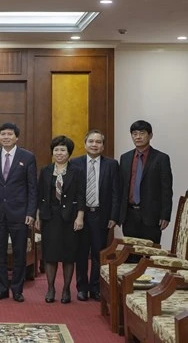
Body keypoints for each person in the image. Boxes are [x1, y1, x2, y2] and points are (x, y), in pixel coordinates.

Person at [0, 122, 37, 303]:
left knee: (19, 253)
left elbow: (32, 187)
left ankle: (17, 289)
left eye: (9, 134)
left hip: (20, 213)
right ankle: (1, 289)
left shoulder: (27, 157)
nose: (6, 137)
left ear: (16, 137)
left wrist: (31, 211)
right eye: (3, 134)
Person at [71, 130, 121, 301]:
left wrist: (114, 216)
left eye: (98, 142)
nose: (94, 145)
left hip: (101, 215)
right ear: (85, 144)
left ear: (103, 146)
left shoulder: (112, 164)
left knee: (99, 253)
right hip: (81, 216)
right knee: (81, 253)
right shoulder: (75, 163)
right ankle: (82, 288)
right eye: (91, 141)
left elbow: (116, 193)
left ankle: (96, 287)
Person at [36, 136, 85, 304]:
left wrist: (80, 216)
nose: (59, 153)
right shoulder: (46, 170)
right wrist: (38, 216)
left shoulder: (77, 171)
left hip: (70, 219)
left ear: (69, 152)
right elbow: (40, 195)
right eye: (56, 149)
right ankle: (50, 289)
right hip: (50, 217)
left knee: (68, 255)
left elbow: (81, 196)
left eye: (63, 150)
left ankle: (66, 289)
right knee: (50, 255)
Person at [119, 120, 173, 246]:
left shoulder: (161, 158)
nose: (138, 137)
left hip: (151, 215)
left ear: (150, 135)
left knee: (150, 254)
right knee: (130, 254)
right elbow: (122, 187)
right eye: (134, 133)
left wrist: (165, 215)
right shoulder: (125, 158)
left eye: (142, 133)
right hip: (129, 215)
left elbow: (166, 189)